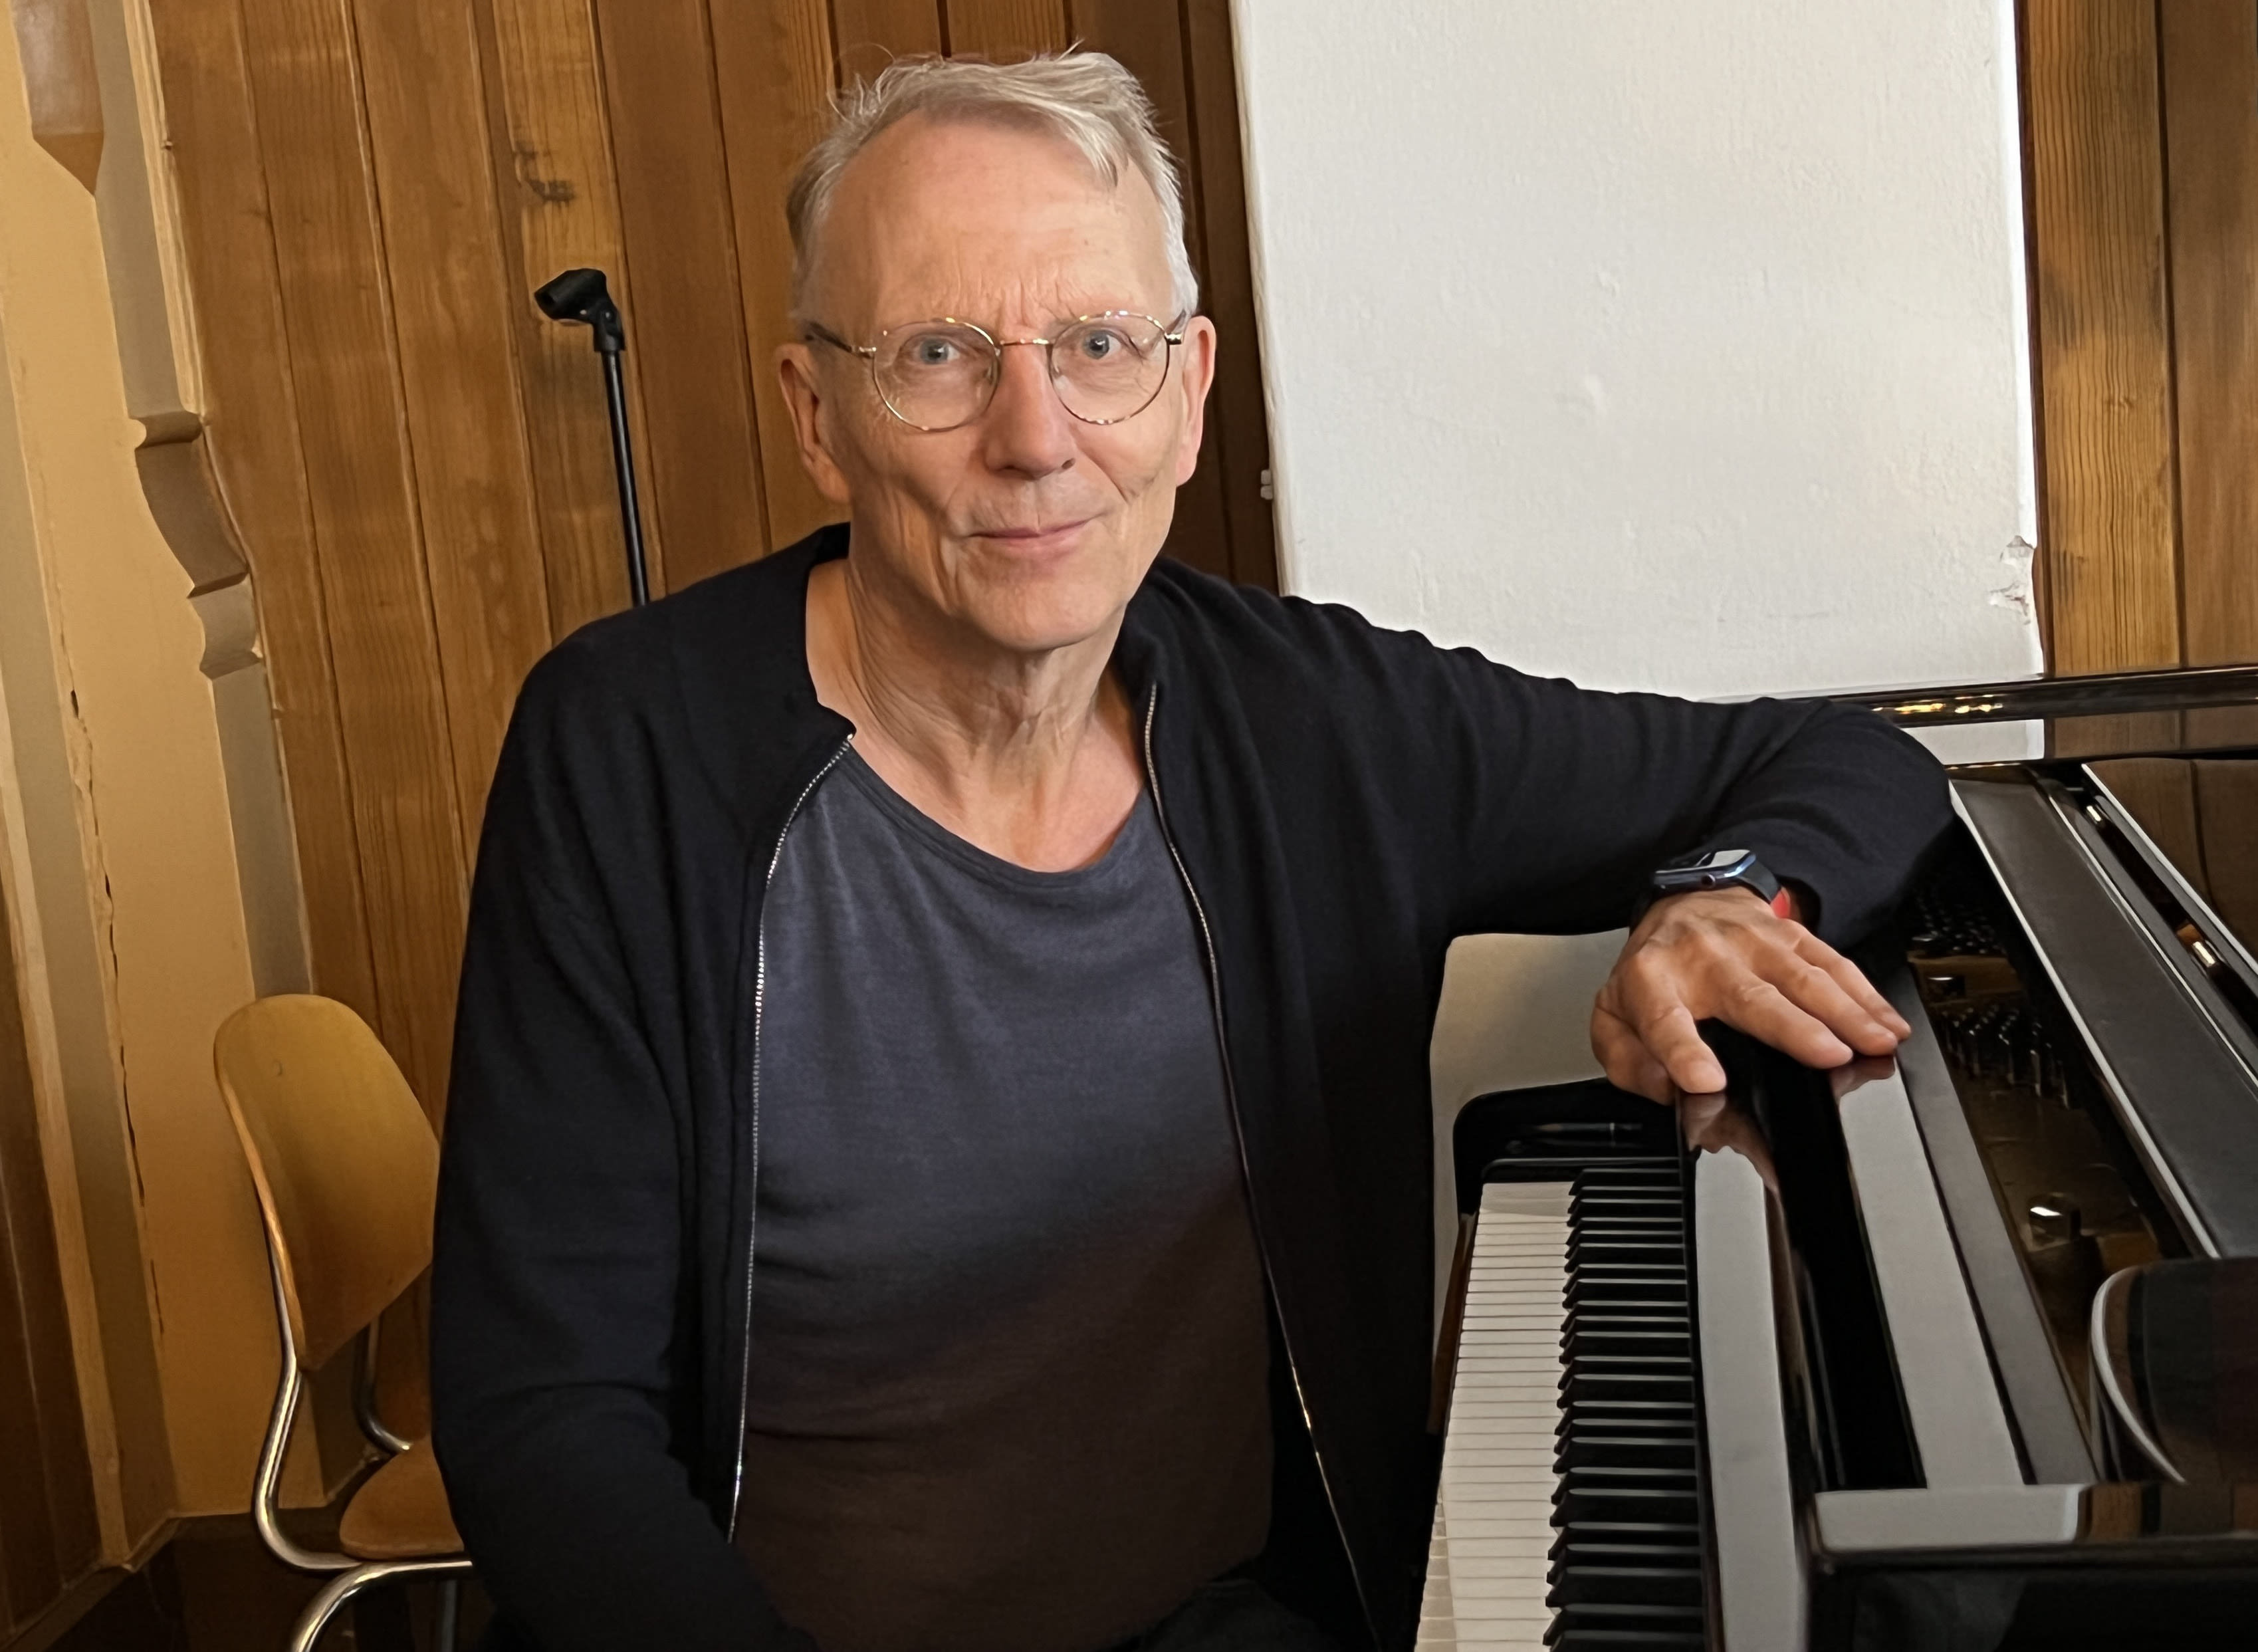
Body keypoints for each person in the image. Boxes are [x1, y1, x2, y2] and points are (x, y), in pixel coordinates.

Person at [432, 51, 1945, 1652]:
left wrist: (1726, 898)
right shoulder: (630, 751)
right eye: (939, 354)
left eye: (1098, 346)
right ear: (821, 418)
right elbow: (545, 1418)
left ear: (1189, 390)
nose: (1036, 436)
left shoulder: (1312, 720)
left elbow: (1848, 760)